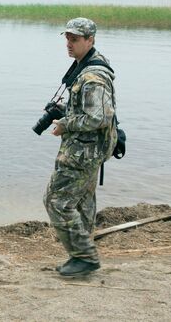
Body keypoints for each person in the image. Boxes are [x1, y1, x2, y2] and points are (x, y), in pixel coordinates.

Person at [44, 18, 117, 277]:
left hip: (83, 151)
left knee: (56, 201)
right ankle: (83, 258)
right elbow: (93, 111)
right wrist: (70, 111)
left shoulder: (93, 75)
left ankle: (84, 257)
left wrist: (66, 123)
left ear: (90, 40)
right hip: (91, 149)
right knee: (84, 202)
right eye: (67, 38)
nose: (69, 43)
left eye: (75, 39)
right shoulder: (88, 65)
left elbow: (100, 117)